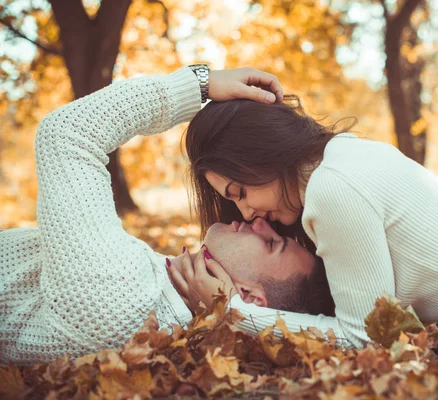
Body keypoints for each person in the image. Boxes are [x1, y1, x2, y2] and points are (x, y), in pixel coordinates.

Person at [179, 95, 438, 348]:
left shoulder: (333, 188)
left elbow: (366, 340)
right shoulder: (339, 156)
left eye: (240, 193)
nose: (247, 213)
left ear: (260, 155)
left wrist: (234, 313)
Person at [0, 66, 334, 366]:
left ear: (247, 298)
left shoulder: (122, 299)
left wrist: (199, 84)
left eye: (273, 244)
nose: (260, 223)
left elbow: (66, 135)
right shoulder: (154, 310)